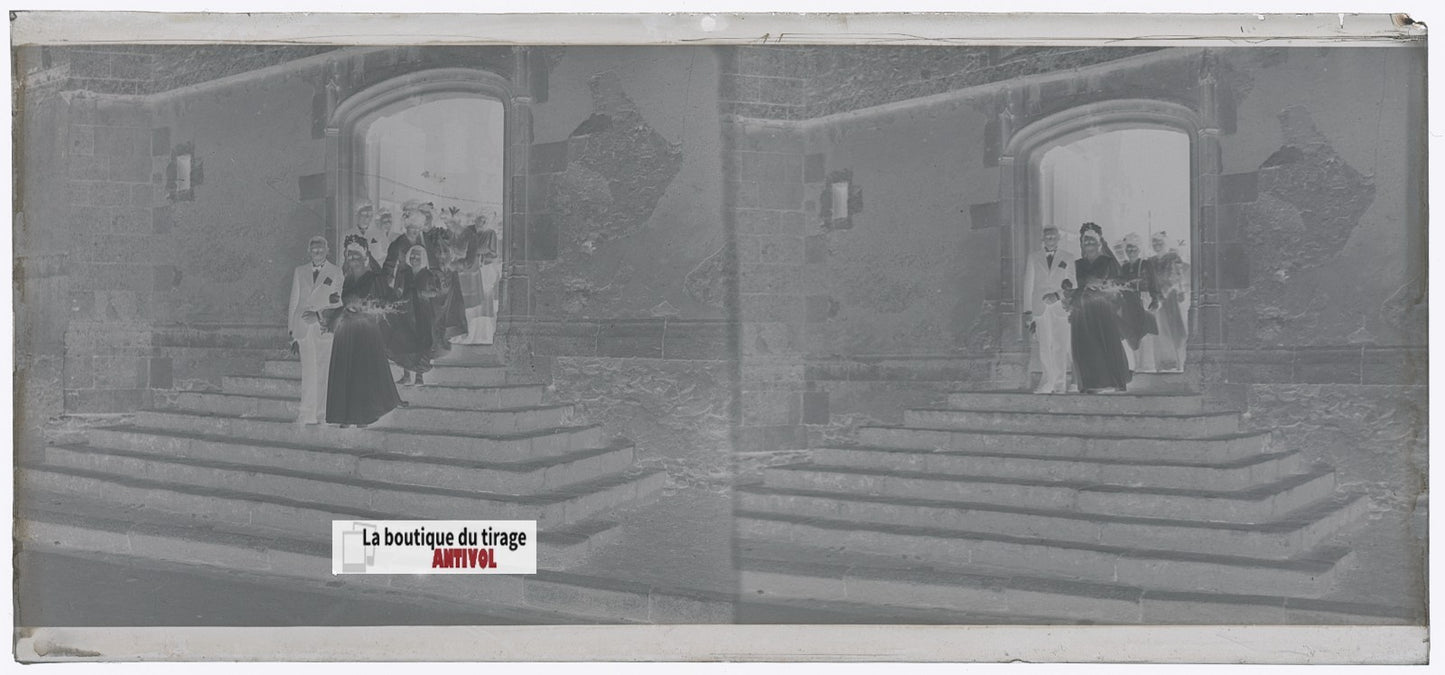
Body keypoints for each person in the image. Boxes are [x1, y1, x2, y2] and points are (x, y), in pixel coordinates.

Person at [325, 243, 403, 427]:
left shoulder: (374, 278)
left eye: (356, 256)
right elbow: (339, 302)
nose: (353, 259)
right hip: (345, 329)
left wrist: (362, 312)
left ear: (365, 257)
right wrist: (339, 308)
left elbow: (382, 306)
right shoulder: (346, 279)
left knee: (361, 369)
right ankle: (345, 414)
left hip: (365, 329)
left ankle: (364, 414)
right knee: (346, 368)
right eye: (349, 256)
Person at [1068, 222, 1132, 394]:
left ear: (1099, 242)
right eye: (1085, 240)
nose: (1088, 243)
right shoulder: (1077, 264)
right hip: (1082, 309)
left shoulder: (1107, 262)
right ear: (1081, 243)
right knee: (1085, 344)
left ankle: (1107, 381)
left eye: (1092, 239)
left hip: (1101, 308)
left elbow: (1117, 286)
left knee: (1101, 341)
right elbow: (1072, 286)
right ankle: (1090, 381)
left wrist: (1101, 288)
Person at [287, 236, 343, 425]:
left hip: (323, 328)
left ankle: (322, 414)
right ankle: (305, 413)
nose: (317, 252)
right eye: (314, 249)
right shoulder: (300, 271)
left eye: (321, 248)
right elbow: (294, 302)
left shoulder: (335, 272)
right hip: (303, 329)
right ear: (308, 251)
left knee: (323, 371)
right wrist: (292, 333)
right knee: (308, 371)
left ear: (327, 250)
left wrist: (319, 316)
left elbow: (338, 303)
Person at [1022, 226, 1074, 394]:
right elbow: (1028, 283)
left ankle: (1059, 384)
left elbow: (1072, 283)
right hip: (1040, 308)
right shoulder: (1033, 257)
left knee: (1060, 344)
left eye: (1053, 237)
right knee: (1044, 346)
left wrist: (1057, 296)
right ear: (1042, 239)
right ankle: (1047, 381)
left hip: (1059, 307)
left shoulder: (1068, 257)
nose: (1050, 239)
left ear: (1059, 238)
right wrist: (1027, 311)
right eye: (1047, 237)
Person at [386, 245, 440, 386]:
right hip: (406, 311)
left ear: (422, 259)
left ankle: (419, 376)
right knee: (405, 341)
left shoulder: (427, 274)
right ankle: (406, 375)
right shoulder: (405, 273)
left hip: (422, 313)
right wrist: (396, 295)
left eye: (417, 257)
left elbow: (434, 292)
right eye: (412, 256)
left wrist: (421, 293)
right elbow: (399, 289)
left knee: (421, 342)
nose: (414, 259)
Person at [1117, 232, 1160, 373]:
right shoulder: (1123, 266)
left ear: (1139, 249)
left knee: (1145, 332)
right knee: (1130, 332)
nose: (1131, 251)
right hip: (1128, 302)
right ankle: (1134, 365)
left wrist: (1155, 299)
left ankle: (1148, 366)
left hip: (1143, 299)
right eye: (1129, 248)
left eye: (1134, 248)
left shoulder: (1145, 264)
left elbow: (1153, 283)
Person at [1153, 251, 1190, 372]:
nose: (1157, 245)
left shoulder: (1175, 261)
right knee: (1164, 330)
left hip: (1174, 301)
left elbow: (1179, 280)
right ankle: (1170, 362)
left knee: (1178, 330)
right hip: (1164, 301)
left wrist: (1177, 290)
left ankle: (1181, 362)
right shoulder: (1154, 263)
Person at [383, 199, 428, 286]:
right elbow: (389, 265)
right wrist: (385, 283)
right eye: (412, 228)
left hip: (420, 279)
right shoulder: (398, 242)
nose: (415, 232)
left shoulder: (422, 240)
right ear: (406, 227)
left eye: (418, 229)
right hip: (403, 280)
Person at [345, 202, 386, 272]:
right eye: (364, 214)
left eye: (370, 214)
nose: (367, 217)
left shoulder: (380, 234)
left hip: (375, 275)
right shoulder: (347, 234)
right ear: (357, 214)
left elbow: (386, 257)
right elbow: (342, 259)